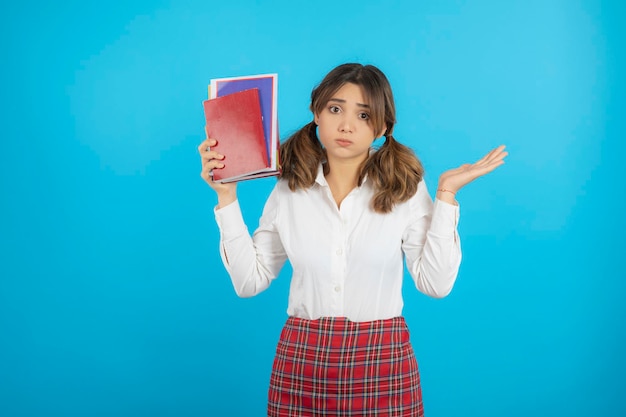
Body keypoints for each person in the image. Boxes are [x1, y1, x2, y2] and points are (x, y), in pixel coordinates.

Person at [198, 63, 507, 417]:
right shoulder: (289, 188)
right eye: (335, 109)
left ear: (383, 126)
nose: (346, 125)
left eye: (364, 114)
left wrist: (446, 195)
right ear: (316, 113)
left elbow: (435, 284)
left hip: (384, 360)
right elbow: (248, 281)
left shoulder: (405, 188)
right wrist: (226, 198)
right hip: (302, 362)